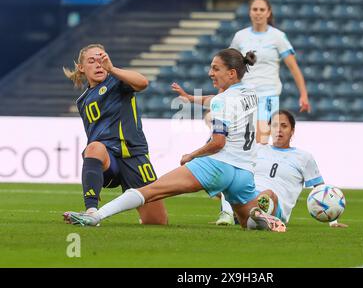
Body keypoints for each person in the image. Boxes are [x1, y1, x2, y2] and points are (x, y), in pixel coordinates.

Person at [63, 48, 286, 232]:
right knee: (248, 222)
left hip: (217, 167)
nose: (210, 73)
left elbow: (218, 142)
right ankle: (266, 213)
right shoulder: (251, 92)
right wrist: (191, 98)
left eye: (215, 69)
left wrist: (192, 155)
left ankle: (96, 215)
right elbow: (219, 99)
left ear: (232, 73)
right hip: (244, 172)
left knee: (150, 191)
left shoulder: (221, 103)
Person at [62, 43, 168, 225]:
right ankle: (91, 211)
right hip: (108, 159)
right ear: (81, 67)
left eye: (101, 59)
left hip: (134, 156)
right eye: (91, 60)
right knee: (94, 147)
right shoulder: (82, 100)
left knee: (157, 223)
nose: (98, 64)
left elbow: (143, 82)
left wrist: (112, 69)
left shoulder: (117, 81)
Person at [218, 110, 348, 228]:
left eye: (284, 126)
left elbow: (321, 191)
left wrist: (333, 221)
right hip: (249, 197)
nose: (278, 130)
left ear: (292, 131)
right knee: (230, 176)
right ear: (269, 129)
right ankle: (234, 215)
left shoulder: (304, 157)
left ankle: (255, 217)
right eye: (274, 126)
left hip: (275, 206)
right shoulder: (256, 150)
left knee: (268, 194)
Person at [229, 0, 310, 144]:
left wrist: (303, 94)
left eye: (262, 9)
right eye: (255, 9)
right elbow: (230, 67)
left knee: (261, 140)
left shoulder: (277, 37)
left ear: (268, 13)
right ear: (249, 12)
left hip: (267, 95)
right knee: (241, 142)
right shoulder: (240, 37)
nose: (258, 13)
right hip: (244, 94)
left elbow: (293, 67)